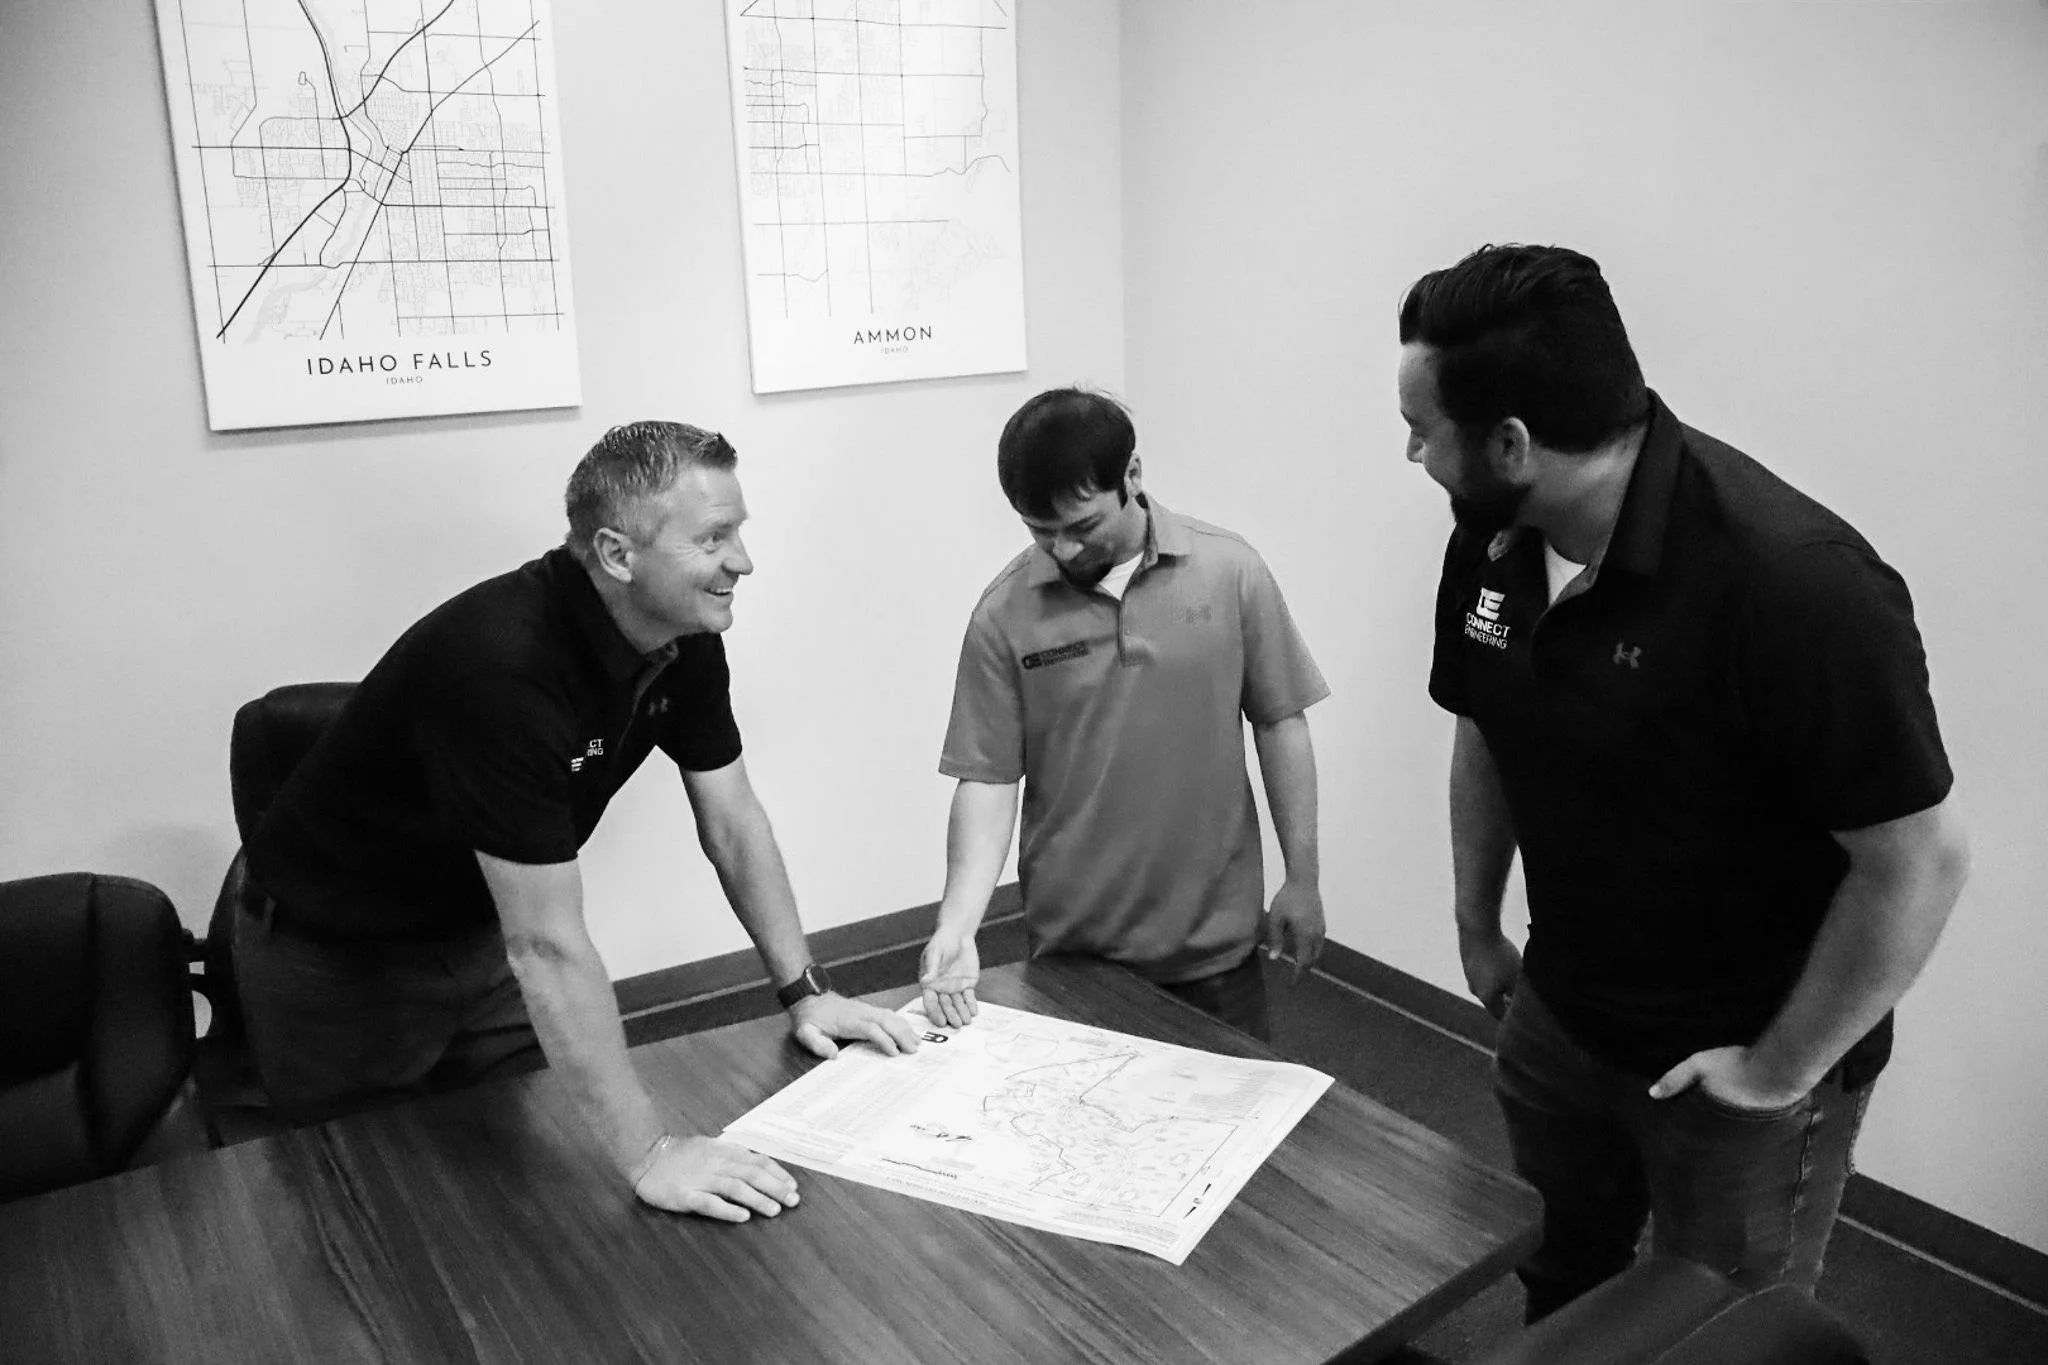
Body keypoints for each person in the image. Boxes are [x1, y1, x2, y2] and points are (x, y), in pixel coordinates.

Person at [1399, 244, 1970, 1319]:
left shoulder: (1792, 582)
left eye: (1421, 433)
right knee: (1561, 1277)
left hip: (1739, 1057)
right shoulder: (1492, 537)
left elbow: (1917, 861)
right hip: (1561, 1009)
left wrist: (1769, 1076)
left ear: (1511, 442)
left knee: (1719, 1330)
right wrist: (1475, 921)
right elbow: (1483, 723)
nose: (1412, 454)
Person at [240, 420, 920, 1220]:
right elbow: (546, 943)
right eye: (712, 538)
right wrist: (652, 1152)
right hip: (338, 959)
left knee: (515, 1190)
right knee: (371, 1205)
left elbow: (733, 822)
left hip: (476, 934)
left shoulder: (683, 634)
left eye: (738, 531)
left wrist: (806, 992)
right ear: (617, 554)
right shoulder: (500, 667)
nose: (742, 561)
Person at [918, 387, 1329, 1041]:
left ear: (1132, 476)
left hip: (1217, 949)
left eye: (1082, 527)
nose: (1063, 549)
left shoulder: (1231, 572)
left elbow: (1281, 722)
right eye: (1039, 530)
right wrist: (957, 923)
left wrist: (1302, 878)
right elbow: (989, 781)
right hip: (1073, 955)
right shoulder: (1002, 615)